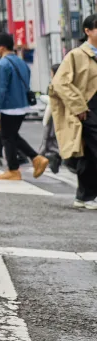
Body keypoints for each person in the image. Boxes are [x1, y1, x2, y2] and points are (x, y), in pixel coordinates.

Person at [48, 16, 97, 208]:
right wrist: (78, 107)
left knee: (88, 154)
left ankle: (84, 196)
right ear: (87, 31)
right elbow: (60, 82)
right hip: (87, 110)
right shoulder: (76, 55)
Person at [0, 32, 49, 180]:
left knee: (7, 137)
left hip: (9, 106)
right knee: (12, 136)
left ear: (2, 47)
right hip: (22, 104)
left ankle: (15, 169)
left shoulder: (2, 64)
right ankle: (35, 159)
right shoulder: (21, 62)